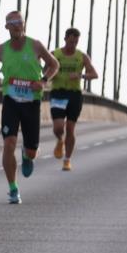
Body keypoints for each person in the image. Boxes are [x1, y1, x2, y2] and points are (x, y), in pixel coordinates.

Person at [0, 11, 59, 204]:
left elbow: (54, 64)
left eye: (20, 22)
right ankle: (13, 189)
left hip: (31, 102)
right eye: (13, 22)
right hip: (11, 100)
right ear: (7, 27)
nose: (17, 25)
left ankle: (27, 154)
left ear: (24, 24)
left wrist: (43, 81)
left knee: (32, 151)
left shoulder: (35, 45)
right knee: (9, 143)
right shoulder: (0, 50)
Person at [49, 28, 99, 171]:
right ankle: (60, 140)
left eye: (76, 42)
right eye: (71, 41)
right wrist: (50, 75)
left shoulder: (81, 56)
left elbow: (94, 74)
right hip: (58, 93)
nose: (73, 45)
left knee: (70, 129)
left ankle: (67, 160)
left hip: (74, 95)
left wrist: (80, 75)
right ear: (65, 39)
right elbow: (45, 70)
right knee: (58, 128)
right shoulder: (55, 54)